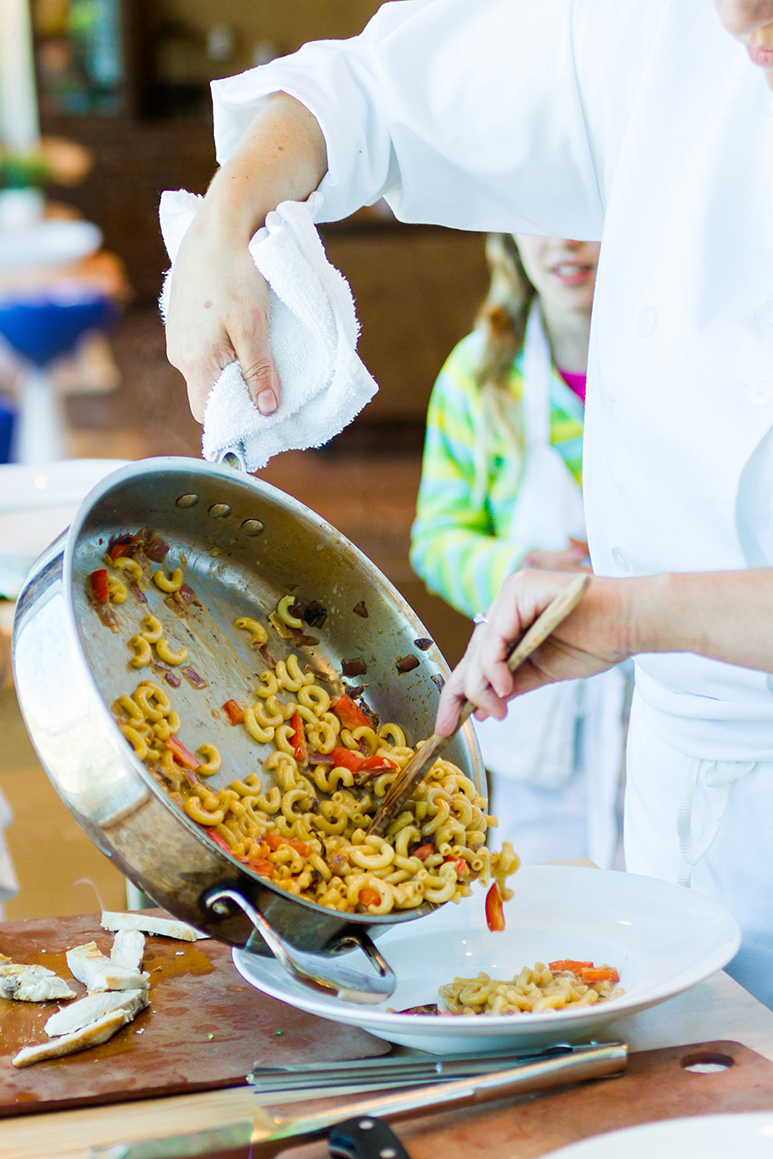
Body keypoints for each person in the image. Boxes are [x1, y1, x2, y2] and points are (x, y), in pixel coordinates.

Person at [163, 0, 773, 1007]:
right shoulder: (673, 27)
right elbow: (373, 94)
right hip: (686, 774)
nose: (734, 14)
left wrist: (642, 611)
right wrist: (228, 218)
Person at [410, 233, 627, 866]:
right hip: (536, 712)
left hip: (659, 694)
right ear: (506, 236)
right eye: (537, 216)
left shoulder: (674, 369)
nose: (564, 239)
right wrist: (515, 571)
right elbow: (436, 539)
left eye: (586, 214)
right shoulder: (478, 378)